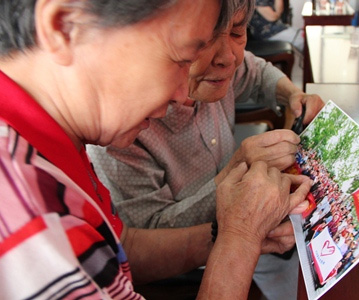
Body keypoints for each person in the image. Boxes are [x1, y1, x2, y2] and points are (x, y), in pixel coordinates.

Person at [0, 0, 313, 299]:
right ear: (66, 27)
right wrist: (239, 239)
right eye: (182, 59)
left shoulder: (52, 143)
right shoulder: (29, 221)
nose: (181, 96)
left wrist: (228, 232)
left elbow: (121, 247)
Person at [87, 1, 324, 299]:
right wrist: (237, 175)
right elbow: (144, 241)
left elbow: (257, 70)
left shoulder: (224, 66)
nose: (228, 58)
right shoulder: (120, 130)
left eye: (238, 32)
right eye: (201, 42)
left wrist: (292, 95)